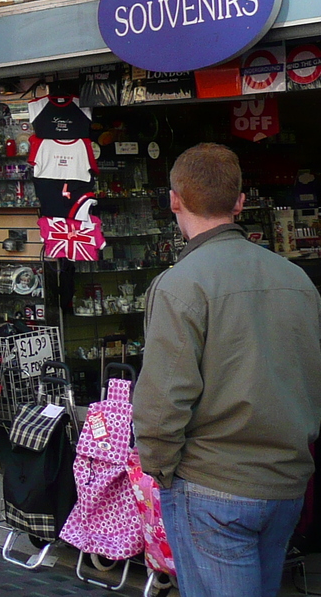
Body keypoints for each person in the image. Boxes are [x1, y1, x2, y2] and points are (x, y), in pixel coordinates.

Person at [135, 143, 321, 597]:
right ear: (240, 202)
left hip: (211, 485)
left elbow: (162, 400)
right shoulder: (296, 279)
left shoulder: (180, 284)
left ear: (174, 199)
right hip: (285, 481)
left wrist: (158, 468)